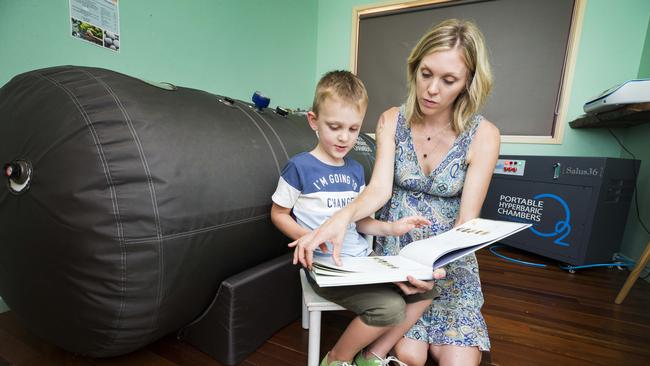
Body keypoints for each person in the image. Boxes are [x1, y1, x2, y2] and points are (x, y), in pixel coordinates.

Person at [289, 19, 500, 366]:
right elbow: (378, 191)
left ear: (467, 84)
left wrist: (435, 265)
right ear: (414, 68)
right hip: (399, 248)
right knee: (411, 356)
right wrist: (340, 220)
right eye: (426, 74)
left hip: (447, 259)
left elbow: (467, 221)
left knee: (458, 362)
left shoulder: (484, 134)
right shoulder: (391, 120)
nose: (432, 89)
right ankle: (367, 355)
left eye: (448, 81)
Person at [271, 70, 445, 366]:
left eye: (353, 129)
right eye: (335, 126)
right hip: (328, 269)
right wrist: (307, 238)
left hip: (364, 263)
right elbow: (278, 214)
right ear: (314, 121)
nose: (344, 137)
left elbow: (361, 221)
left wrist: (391, 228)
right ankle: (337, 358)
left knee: (426, 292)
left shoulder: (354, 170)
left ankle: (370, 357)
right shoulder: (299, 167)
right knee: (389, 308)